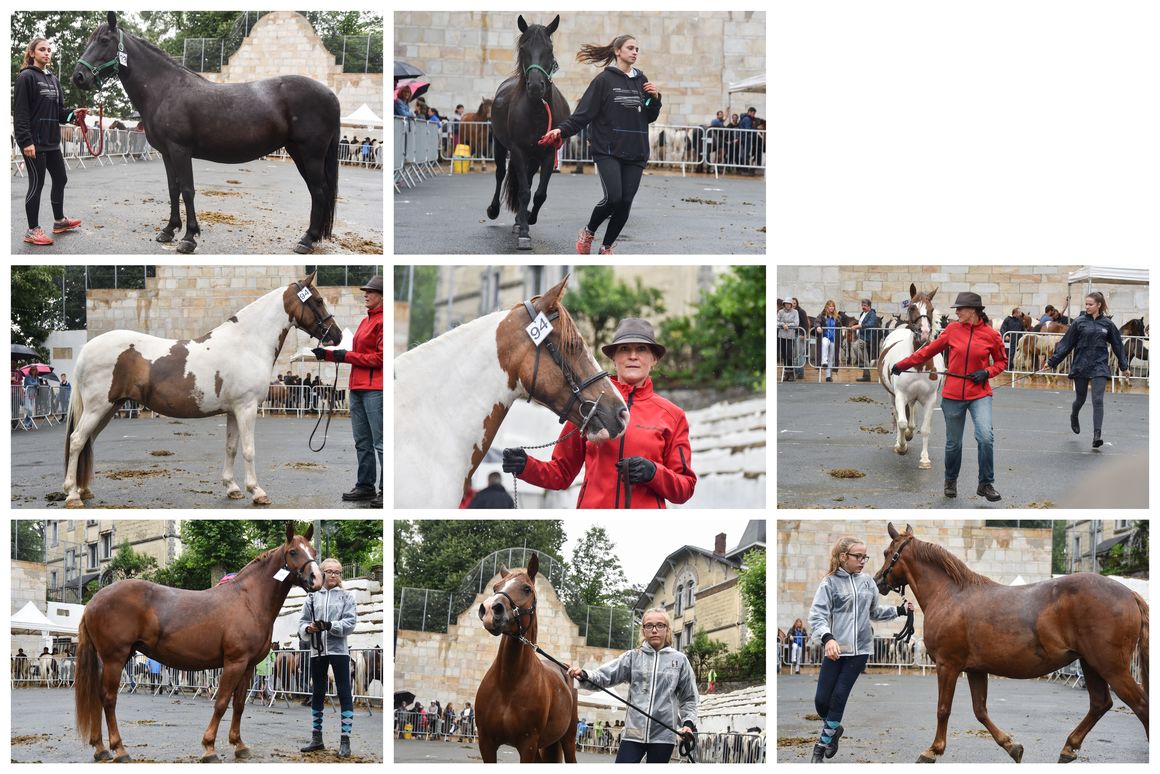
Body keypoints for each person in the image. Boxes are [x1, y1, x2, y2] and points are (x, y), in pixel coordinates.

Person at [503, 318, 696, 508]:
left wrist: (653, 472)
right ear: (614, 358)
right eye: (624, 349)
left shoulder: (673, 415)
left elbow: (685, 488)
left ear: (653, 359)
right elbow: (561, 474)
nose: (633, 356)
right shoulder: (588, 404)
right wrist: (525, 466)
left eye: (642, 349)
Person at [539, 34, 662, 255]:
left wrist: (655, 99)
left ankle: (605, 248)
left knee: (625, 203)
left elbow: (648, 115)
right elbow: (583, 114)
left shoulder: (642, 80)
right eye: (630, 48)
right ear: (618, 51)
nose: (635, 52)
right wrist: (561, 130)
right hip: (608, 149)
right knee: (613, 198)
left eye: (637, 49)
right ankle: (588, 231)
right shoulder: (603, 81)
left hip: (636, 150)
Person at [892, 291, 1008, 501]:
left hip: (979, 393)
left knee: (985, 437)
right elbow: (927, 351)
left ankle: (986, 484)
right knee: (954, 443)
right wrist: (902, 364)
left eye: (960, 309)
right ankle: (950, 481)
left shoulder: (991, 335)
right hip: (954, 395)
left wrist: (987, 372)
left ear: (973, 311)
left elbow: (1002, 362)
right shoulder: (952, 330)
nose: (957, 312)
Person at [808, 536, 912, 763]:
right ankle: (834, 729)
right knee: (821, 702)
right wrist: (828, 639)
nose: (863, 560)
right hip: (836, 649)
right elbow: (817, 616)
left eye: (865, 556)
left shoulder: (868, 583)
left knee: (838, 698)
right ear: (844, 557)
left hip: (860, 650)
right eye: (858, 556)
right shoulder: (829, 583)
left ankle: (820, 747)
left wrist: (900, 611)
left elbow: (874, 613)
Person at [567, 607, 697, 764]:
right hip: (633, 734)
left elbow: (689, 698)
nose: (654, 630)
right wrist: (584, 675)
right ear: (643, 630)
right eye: (649, 626)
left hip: (664, 735)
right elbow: (604, 676)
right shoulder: (632, 657)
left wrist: (688, 724)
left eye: (660, 625)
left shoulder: (680, 661)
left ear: (667, 630)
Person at [314, 275, 383, 508]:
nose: (366, 294)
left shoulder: (384, 321)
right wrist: (328, 354)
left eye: (370, 292)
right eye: (366, 291)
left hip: (376, 389)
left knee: (380, 442)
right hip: (357, 388)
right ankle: (365, 486)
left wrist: (346, 356)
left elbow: (380, 358)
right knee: (362, 441)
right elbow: (351, 353)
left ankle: (387, 489)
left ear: (381, 296)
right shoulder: (365, 322)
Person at [14, 37, 86, 246]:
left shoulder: (53, 79)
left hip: (52, 140)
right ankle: (32, 230)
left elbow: (58, 112)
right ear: (32, 53)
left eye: (49, 50)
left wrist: (73, 114)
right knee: (36, 185)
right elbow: (20, 113)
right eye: (42, 49)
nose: (46, 53)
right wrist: (26, 141)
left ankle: (59, 221)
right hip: (33, 142)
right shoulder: (26, 77)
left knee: (61, 178)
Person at [1047, 291, 1131, 449]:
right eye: (1086, 304)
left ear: (1099, 305)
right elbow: (1066, 344)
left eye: (1090, 304)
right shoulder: (1079, 323)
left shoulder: (1107, 324)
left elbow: (1118, 346)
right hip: (1081, 364)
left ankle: (1097, 435)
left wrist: (1124, 366)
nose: (1087, 307)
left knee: (1098, 400)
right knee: (1080, 399)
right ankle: (1074, 415)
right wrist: (1052, 362)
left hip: (1099, 365)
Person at [298, 558, 358, 758]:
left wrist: (330, 626)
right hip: (317, 650)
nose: (333, 575)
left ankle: (345, 741)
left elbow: (350, 623)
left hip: (339, 650)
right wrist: (309, 628)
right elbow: (303, 622)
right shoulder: (312, 598)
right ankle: (317, 738)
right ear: (322, 573)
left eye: (337, 572)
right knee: (317, 692)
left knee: (344, 692)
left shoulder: (347, 597)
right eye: (330, 571)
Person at [850, 298, 879, 381]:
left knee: (855, 346)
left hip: (867, 338)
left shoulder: (872, 314)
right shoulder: (862, 313)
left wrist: (858, 326)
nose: (863, 307)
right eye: (862, 305)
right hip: (861, 336)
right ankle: (866, 376)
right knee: (865, 357)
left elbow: (871, 324)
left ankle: (862, 364)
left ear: (869, 306)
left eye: (865, 306)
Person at [814, 300, 840, 382]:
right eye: (830, 306)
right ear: (826, 307)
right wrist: (818, 326)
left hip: (833, 338)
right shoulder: (822, 315)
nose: (832, 308)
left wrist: (842, 329)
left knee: (831, 357)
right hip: (825, 336)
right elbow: (817, 322)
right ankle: (823, 361)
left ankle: (828, 376)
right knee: (825, 343)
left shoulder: (837, 317)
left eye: (833, 306)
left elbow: (840, 325)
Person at [778, 299, 799, 382]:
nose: (787, 305)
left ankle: (791, 373)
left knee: (789, 354)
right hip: (782, 335)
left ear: (791, 304)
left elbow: (796, 323)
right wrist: (783, 325)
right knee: (784, 354)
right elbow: (777, 321)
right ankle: (786, 373)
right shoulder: (780, 312)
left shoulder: (795, 312)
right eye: (786, 304)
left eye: (789, 304)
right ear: (784, 304)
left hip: (790, 335)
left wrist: (788, 325)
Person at [999, 307, 1025, 374]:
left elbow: (1022, 329)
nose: (1020, 314)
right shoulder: (1007, 319)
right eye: (1019, 312)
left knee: (1013, 353)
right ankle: (1007, 366)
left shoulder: (1020, 320)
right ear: (1015, 313)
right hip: (1009, 340)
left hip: (1017, 339)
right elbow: (1002, 329)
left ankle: (1010, 365)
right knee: (1008, 353)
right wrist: (1006, 335)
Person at [792, 298, 809, 378]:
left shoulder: (801, 311)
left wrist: (804, 334)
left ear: (797, 303)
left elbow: (806, 324)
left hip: (800, 334)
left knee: (800, 353)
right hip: (792, 335)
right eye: (791, 303)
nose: (793, 305)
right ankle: (795, 371)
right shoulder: (791, 312)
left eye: (794, 303)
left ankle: (800, 373)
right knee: (795, 354)